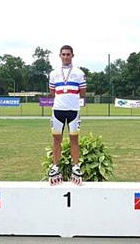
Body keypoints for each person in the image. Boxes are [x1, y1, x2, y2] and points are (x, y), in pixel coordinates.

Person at [48, 45, 87, 186]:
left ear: (72, 55)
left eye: (68, 54)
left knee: (74, 139)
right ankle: (55, 166)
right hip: (57, 109)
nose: (66, 57)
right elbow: (52, 91)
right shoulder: (53, 73)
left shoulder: (79, 73)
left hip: (73, 110)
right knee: (56, 139)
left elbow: (82, 92)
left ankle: (75, 166)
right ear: (60, 55)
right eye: (63, 54)